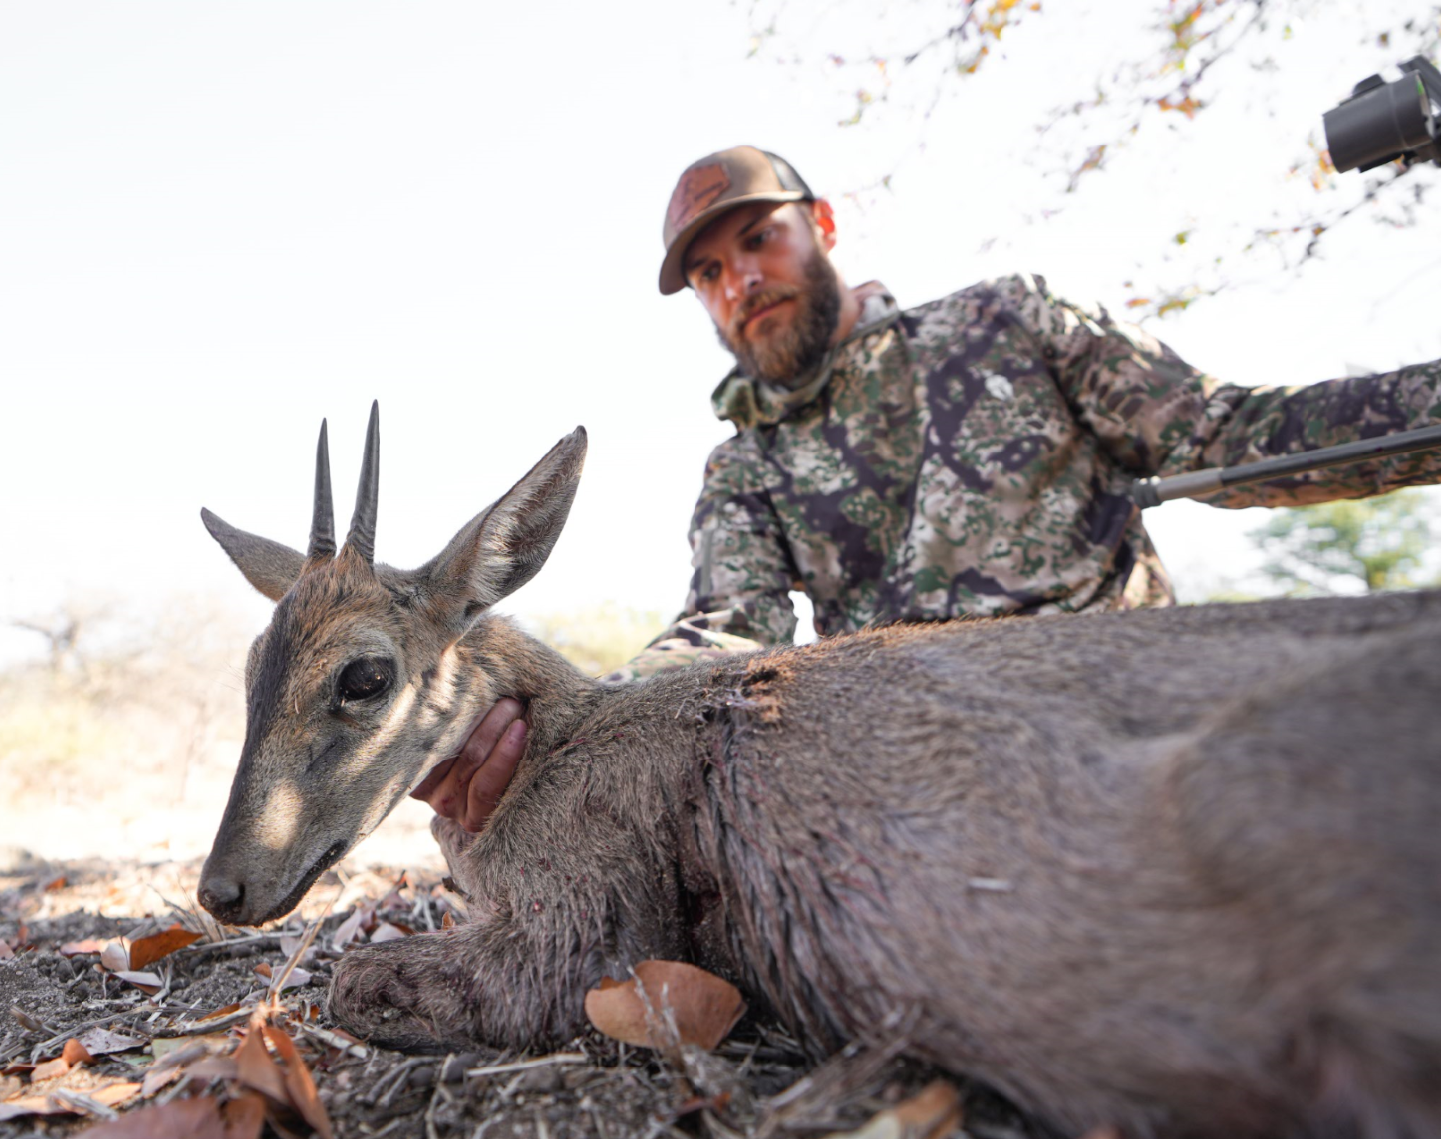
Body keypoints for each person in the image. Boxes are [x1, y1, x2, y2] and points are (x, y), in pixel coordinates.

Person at [413, 144, 1441, 832]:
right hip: (934, 798)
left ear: (818, 223)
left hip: (1154, 730)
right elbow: (726, 630)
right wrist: (559, 730)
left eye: (756, 240)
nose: (741, 283)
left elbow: (1235, 434)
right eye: (710, 275)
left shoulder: (1008, 324)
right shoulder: (745, 468)